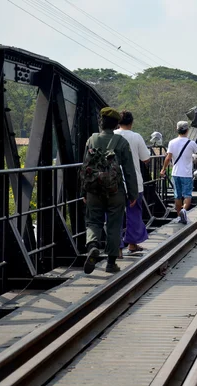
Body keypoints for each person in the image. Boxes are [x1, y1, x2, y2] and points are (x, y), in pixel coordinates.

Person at [82, 107, 138, 274]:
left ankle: (93, 246)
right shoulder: (121, 142)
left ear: (101, 122)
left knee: (93, 221)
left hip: (93, 189)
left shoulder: (91, 140)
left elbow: (85, 167)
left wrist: (83, 192)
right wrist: (133, 194)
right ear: (116, 125)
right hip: (115, 191)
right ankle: (111, 263)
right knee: (114, 225)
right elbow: (129, 170)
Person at [160, 121, 197, 225]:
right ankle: (184, 210)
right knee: (187, 195)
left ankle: (179, 216)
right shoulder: (191, 143)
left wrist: (163, 169)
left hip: (175, 173)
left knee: (177, 195)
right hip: (186, 174)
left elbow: (168, 157)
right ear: (187, 130)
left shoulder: (172, 142)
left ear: (177, 130)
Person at [115, 110, 151, 253]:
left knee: (114, 215)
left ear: (118, 122)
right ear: (131, 122)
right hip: (134, 182)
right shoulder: (136, 137)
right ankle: (132, 243)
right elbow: (146, 158)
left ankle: (116, 246)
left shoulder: (112, 135)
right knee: (134, 212)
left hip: (114, 182)